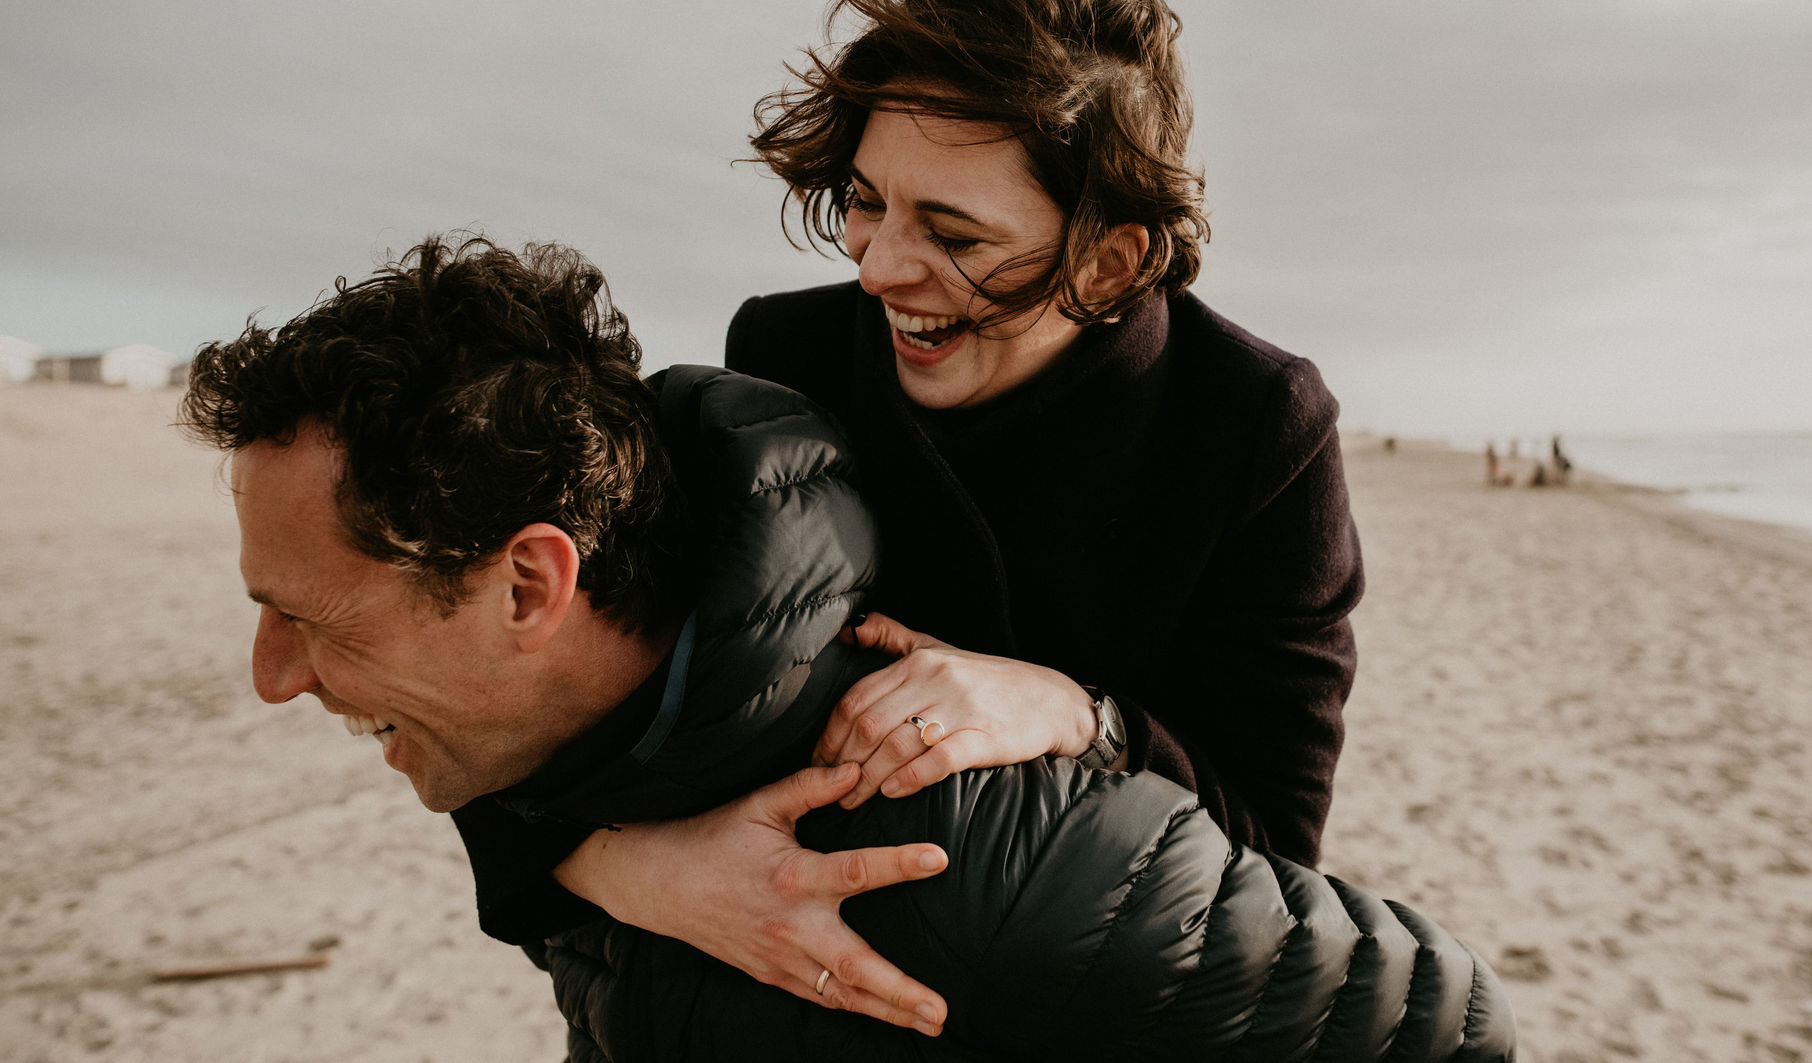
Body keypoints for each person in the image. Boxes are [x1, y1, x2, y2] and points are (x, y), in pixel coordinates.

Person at [183, 236, 1515, 1061]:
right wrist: (603, 861)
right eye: (859, 208)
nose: (272, 672)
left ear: (534, 582)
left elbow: (1444, 1021)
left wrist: (1083, 709)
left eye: (305, 618)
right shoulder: (553, 752)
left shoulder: (960, 845)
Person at [473, 0, 1368, 1029]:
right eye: (863, 202)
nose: (880, 268)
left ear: (1109, 263)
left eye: (952, 234)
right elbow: (517, 703)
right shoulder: (779, 355)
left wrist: (1080, 715)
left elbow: (1269, 862)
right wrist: (634, 872)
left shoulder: (1253, 426)